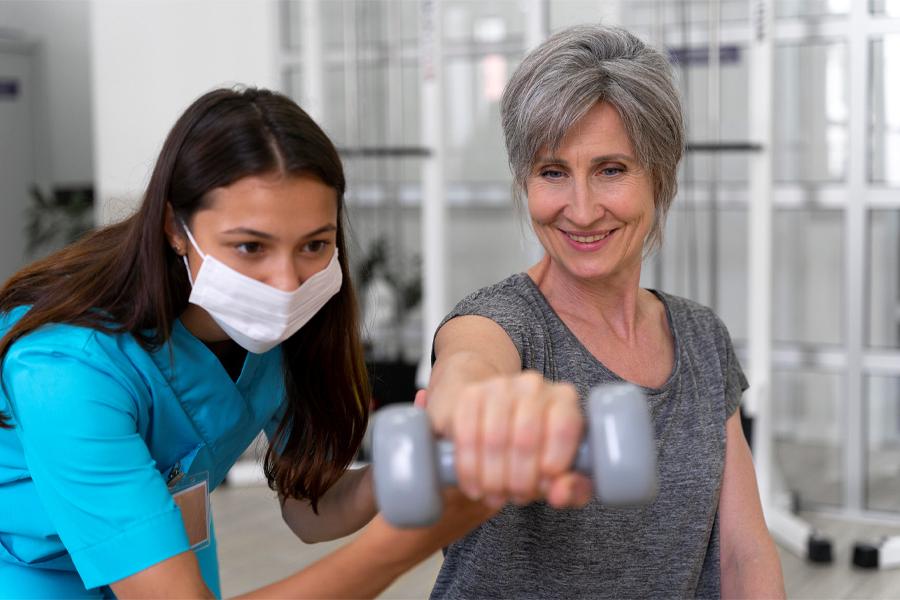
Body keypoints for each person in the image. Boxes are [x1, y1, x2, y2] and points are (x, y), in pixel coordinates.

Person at [0, 87, 493, 598]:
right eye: (250, 246)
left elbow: (309, 509)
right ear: (175, 227)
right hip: (29, 565)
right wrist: (404, 546)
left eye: (314, 245)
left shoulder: (282, 335)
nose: (286, 282)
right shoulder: (64, 369)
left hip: (164, 535)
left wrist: (402, 473)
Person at [423, 24, 786, 598]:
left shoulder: (699, 336)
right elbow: (470, 363)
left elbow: (743, 552)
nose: (582, 209)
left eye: (611, 170)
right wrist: (470, 408)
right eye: (553, 172)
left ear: (659, 177)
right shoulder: (502, 322)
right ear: (525, 182)